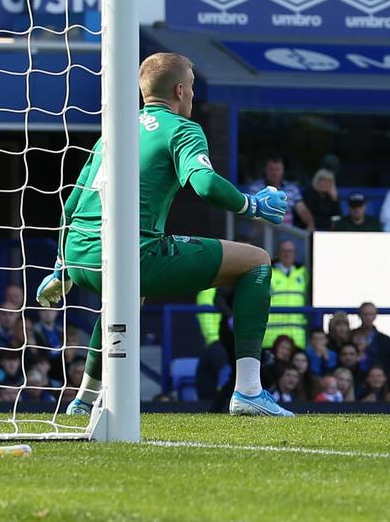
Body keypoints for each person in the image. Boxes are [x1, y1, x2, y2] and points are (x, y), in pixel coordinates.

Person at [36, 53, 293, 417]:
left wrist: (60, 268)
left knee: (124, 298)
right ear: (179, 90)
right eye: (190, 86)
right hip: (133, 252)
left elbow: (72, 203)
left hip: (79, 255)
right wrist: (250, 205)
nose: (191, 95)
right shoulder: (182, 129)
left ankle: (83, 402)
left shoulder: (115, 131)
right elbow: (204, 184)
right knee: (256, 262)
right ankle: (249, 390)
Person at [263, 240, 308, 349]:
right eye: (284, 251)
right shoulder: (268, 273)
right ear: (278, 253)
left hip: (297, 337)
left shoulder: (304, 274)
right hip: (272, 337)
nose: (287, 254)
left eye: (290, 251)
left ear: (295, 254)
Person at [246, 156, 309, 230]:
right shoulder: (256, 188)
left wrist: (310, 225)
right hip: (263, 231)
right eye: (271, 169)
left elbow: (302, 211)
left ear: (283, 171)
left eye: (278, 169)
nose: (275, 173)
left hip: (288, 233)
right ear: (265, 170)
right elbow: (252, 212)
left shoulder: (292, 189)